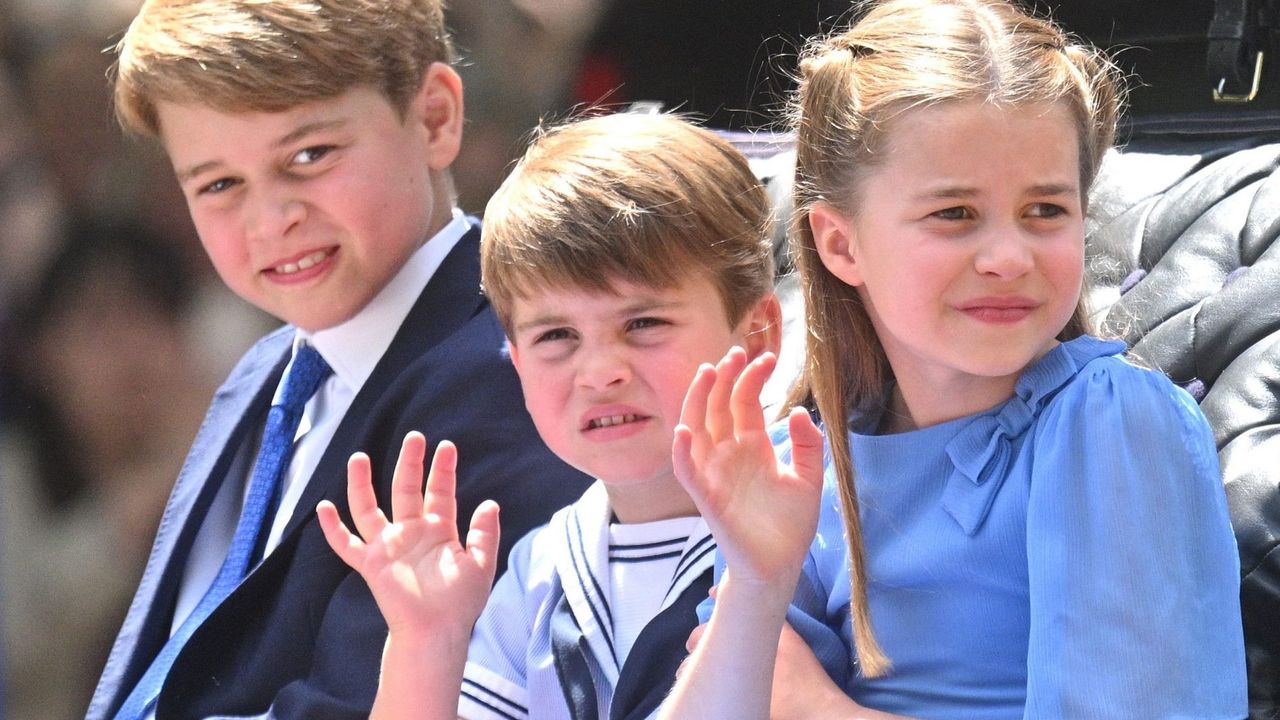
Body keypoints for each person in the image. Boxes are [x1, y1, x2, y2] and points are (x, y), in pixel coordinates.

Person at [661, 0, 1249, 718]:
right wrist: (757, 582)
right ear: (841, 245)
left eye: (1046, 211)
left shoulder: (1105, 425)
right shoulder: (801, 464)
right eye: (955, 214)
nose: (1008, 257)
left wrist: (821, 709)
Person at [87, 1, 591, 718]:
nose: (271, 220)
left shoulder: (512, 374)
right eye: (219, 185)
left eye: (309, 156)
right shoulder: (269, 372)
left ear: (435, 119)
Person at [315, 111, 782, 720]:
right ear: (513, 361)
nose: (599, 372)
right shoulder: (541, 570)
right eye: (557, 336)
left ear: (757, 334)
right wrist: (426, 640)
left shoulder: (832, 524)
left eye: (643, 324)